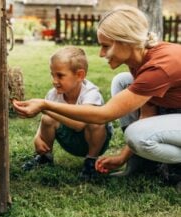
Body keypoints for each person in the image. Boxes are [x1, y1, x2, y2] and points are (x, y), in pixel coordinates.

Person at [13, 5, 181, 186]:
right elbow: (148, 112)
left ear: (126, 41)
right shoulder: (140, 61)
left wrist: (45, 105)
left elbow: (104, 114)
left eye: (106, 46)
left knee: (136, 135)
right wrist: (122, 158)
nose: (101, 53)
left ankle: (174, 167)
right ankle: (140, 163)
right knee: (122, 81)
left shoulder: (159, 67)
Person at [21, 46, 112, 180]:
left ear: (79, 75)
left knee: (95, 122)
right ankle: (45, 157)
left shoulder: (91, 94)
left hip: (94, 141)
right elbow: (45, 117)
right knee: (47, 118)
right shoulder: (53, 94)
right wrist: (37, 137)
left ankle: (90, 163)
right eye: (52, 74)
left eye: (60, 75)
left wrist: (44, 107)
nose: (54, 81)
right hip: (69, 140)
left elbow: (79, 125)